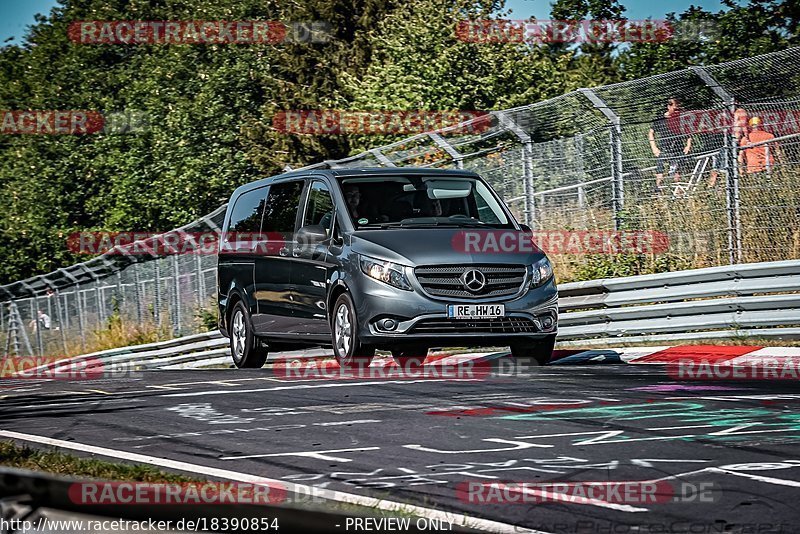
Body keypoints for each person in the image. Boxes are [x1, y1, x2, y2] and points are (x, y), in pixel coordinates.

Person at [649, 97, 692, 189]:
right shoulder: (661, 119)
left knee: (677, 174)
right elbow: (651, 132)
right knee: (660, 172)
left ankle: (678, 193)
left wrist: (688, 145)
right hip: (664, 150)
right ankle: (658, 192)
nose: (677, 111)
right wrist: (654, 148)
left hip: (678, 149)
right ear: (669, 106)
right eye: (675, 109)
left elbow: (688, 133)